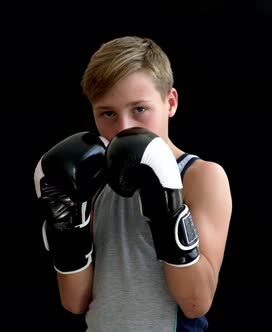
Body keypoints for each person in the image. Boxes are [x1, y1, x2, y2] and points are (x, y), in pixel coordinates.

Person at [34, 36, 232, 331]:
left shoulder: (200, 176)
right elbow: (75, 302)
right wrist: (66, 231)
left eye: (139, 109)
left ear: (171, 103)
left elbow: (196, 303)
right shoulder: (92, 182)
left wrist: (167, 208)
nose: (124, 127)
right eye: (108, 113)